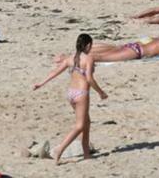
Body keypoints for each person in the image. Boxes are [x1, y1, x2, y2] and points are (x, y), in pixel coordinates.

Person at [32, 34, 107, 165]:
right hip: (81, 94)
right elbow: (89, 78)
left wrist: (40, 83)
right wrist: (101, 92)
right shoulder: (88, 59)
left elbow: (54, 72)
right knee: (79, 126)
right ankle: (59, 150)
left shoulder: (70, 58)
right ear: (88, 45)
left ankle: (86, 154)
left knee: (86, 122)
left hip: (71, 93)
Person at [69, 20, 159, 62]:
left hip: (136, 44)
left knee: (109, 49)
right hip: (138, 51)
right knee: (104, 57)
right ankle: (74, 59)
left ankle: (76, 55)